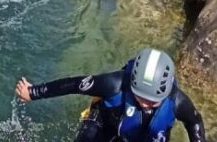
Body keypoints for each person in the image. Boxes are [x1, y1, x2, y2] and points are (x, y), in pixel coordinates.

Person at [15, 48, 206, 142]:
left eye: (153, 102)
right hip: (105, 122)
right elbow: (74, 84)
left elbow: (195, 121)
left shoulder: (177, 101)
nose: (146, 105)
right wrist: (33, 92)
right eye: (141, 98)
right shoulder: (114, 84)